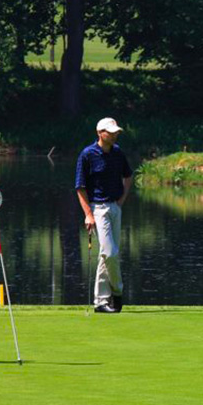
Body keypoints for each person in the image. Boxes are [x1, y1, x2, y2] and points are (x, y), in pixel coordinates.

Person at [76, 117, 133, 313]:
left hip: (115, 207)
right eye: (111, 132)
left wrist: (121, 201)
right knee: (110, 253)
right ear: (100, 133)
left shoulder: (118, 153)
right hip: (98, 209)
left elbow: (128, 176)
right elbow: (80, 187)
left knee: (106, 255)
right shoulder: (87, 154)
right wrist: (88, 215)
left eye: (116, 131)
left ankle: (100, 302)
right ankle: (117, 293)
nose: (115, 134)